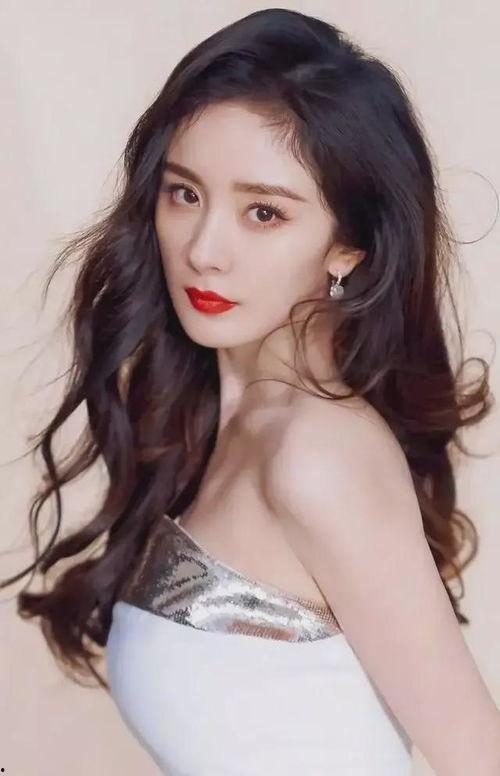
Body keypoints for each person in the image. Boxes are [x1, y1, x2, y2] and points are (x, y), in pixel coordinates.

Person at [2, 7, 500, 775]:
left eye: (263, 212)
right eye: (184, 193)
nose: (204, 250)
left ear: (348, 247)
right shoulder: (224, 425)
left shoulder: (318, 453)